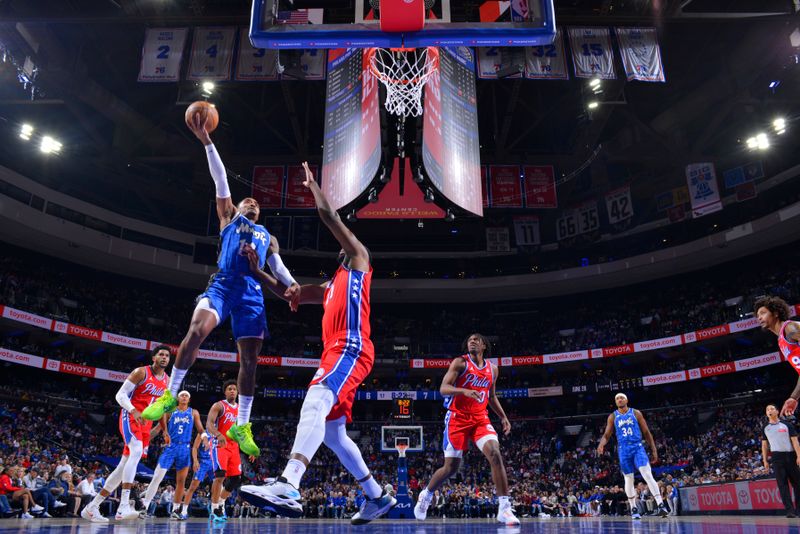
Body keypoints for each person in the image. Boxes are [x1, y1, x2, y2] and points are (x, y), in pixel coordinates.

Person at [240, 162, 394, 525]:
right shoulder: (330, 286)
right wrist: (257, 270)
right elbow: (290, 293)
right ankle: (376, 496)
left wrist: (313, 187)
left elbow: (328, 216)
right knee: (333, 433)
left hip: (351, 346)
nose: (345, 242)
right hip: (336, 350)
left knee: (315, 400)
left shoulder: (359, 260)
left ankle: (289, 483)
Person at [142, 114, 300, 458]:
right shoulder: (229, 216)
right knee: (197, 329)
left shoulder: (267, 236)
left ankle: (242, 424)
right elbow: (221, 178)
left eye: (257, 203)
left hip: (252, 294)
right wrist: (206, 141)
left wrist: (293, 286)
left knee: (250, 361)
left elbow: (278, 267)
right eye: (249, 201)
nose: (253, 202)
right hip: (223, 284)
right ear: (237, 206)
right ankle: (170, 393)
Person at [413, 334, 519, 526]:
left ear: (484, 345)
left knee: (495, 454)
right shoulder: (460, 363)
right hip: (457, 418)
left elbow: (492, 396)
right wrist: (463, 391)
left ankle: (504, 509)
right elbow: (444, 388)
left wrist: (503, 417)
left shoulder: (492, 369)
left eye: (476, 340)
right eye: (470, 339)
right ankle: (426, 495)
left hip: (480, 418)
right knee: (451, 468)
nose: (472, 341)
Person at [81, 345, 171, 522]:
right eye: (161, 354)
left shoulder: (167, 380)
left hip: (146, 423)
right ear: (153, 357)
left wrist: (165, 430)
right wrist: (133, 410)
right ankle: (123, 506)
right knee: (136, 452)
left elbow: (162, 408)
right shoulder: (141, 372)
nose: (164, 357)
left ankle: (92, 507)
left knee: (122, 467)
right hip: (130, 416)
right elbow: (120, 395)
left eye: (167, 355)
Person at [597, 393, 669, 520]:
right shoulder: (613, 416)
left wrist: (654, 450)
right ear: (615, 402)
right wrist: (601, 444)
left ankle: (660, 504)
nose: (619, 399)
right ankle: (633, 507)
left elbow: (646, 432)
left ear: (626, 400)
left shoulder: (636, 413)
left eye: (622, 398)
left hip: (637, 447)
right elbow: (607, 435)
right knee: (628, 479)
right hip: (623, 450)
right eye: (617, 398)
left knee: (647, 474)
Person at [141, 390, 205, 520]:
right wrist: (144, 439)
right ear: (178, 398)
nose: (184, 397)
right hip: (171, 447)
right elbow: (158, 429)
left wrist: (205, 438)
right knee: (157, 477)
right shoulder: (170, 412)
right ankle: (144, 507)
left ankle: (175, 510)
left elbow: (200, 429)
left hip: (185, 448)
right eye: (182, 395)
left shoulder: (193, 412)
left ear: (189, 399)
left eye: (186, 395)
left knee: (181, 481)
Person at [755, 297, 800, 416]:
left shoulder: (790, 328)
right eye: (758, 315)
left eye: (763, 313)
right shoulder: (781, 340)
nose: (759, 317)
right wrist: (794, 398)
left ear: (775, 313)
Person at [206, 380, 244, 522]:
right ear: (225, 392)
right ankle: (214, 508)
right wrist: (218, 434)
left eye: (234, 389)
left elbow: (243, 430)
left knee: (236, 478)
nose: (232, 391)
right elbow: (209, 424)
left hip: (234, 446)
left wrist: (249, 448)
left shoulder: (241, 409)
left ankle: (221, 503)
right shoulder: (219, 405)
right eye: (230, 389)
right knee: (220, 476)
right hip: (219, 444)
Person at [761, 403, 800, 517]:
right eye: (767, 409)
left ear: (777, 411)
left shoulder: (786, 425)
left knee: (798, 484)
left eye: (772, 408)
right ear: (766, 413)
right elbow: (764, 445)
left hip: (790, 455)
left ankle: (799, 509)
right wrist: (765, 460)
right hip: (776, 457)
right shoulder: (765, 427)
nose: (770, 410)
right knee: (782, 485)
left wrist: (799, 455)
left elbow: (795, 441)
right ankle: (790, 511)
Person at [178, 431, 214, 517]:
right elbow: (194, 447)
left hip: (214, 462)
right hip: (203, 462)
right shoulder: (203, 433)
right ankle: (184, 511)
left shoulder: (219, 432)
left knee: (217, 488)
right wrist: (195, 460)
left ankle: (217, 510)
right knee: (192, 487)